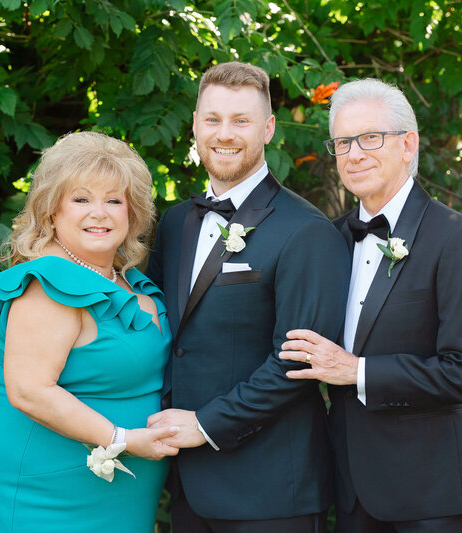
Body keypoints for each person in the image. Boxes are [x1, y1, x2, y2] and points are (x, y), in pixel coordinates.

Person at [279, 78, 462, 532]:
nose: (354, 153)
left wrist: (355, 370)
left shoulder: (458, 238)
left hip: (433, 489)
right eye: (343, 142)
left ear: (408, 144)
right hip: (352, 486)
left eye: (369, 138)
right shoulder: (329, 241)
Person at [145, 61, 349, 532]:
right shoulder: (175, 223)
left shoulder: (306, 231)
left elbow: (296, 364)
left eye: (242, 121)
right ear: (195, 125)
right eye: (213, 119)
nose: (225, 134)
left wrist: (204, 425)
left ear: (269, 128)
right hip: (188, 485)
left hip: (273, 491)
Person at [0, 131, 180, 532]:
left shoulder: (128, 281)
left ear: (132, 212)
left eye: (114, 200)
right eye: (81, 199)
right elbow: (30, 390)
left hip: (118, 493)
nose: (99, 213)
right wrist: (123, 439)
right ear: (52, 211)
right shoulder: (51, 284)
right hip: (42, 487)